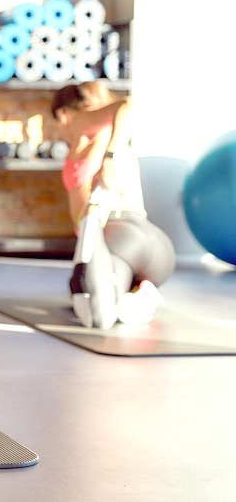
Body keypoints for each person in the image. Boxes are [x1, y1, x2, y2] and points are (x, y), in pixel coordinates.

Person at [52, 82, 175, 329]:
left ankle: (126, 298)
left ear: (63, 114)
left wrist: (108, 158)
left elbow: (127, 105)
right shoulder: (110, 134)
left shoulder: (81, 126)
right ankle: (139, 291)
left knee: (98, 316)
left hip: (120, 238)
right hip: (155, 248)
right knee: (81, 286)